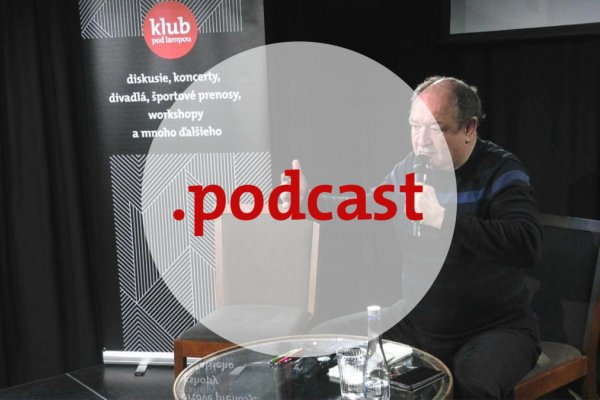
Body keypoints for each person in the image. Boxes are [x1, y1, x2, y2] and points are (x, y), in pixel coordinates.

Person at [283, 76, 542, 399]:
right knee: (320, 343)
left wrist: (444, 220)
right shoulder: (408, 171)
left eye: (436, 129)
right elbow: (367, 206)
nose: (421, 141)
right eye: (415, 127)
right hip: (417, 319)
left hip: (492, 327)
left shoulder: (500, 170)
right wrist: (310, 203)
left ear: (469, 127)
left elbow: (526, 244)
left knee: (473, 383)